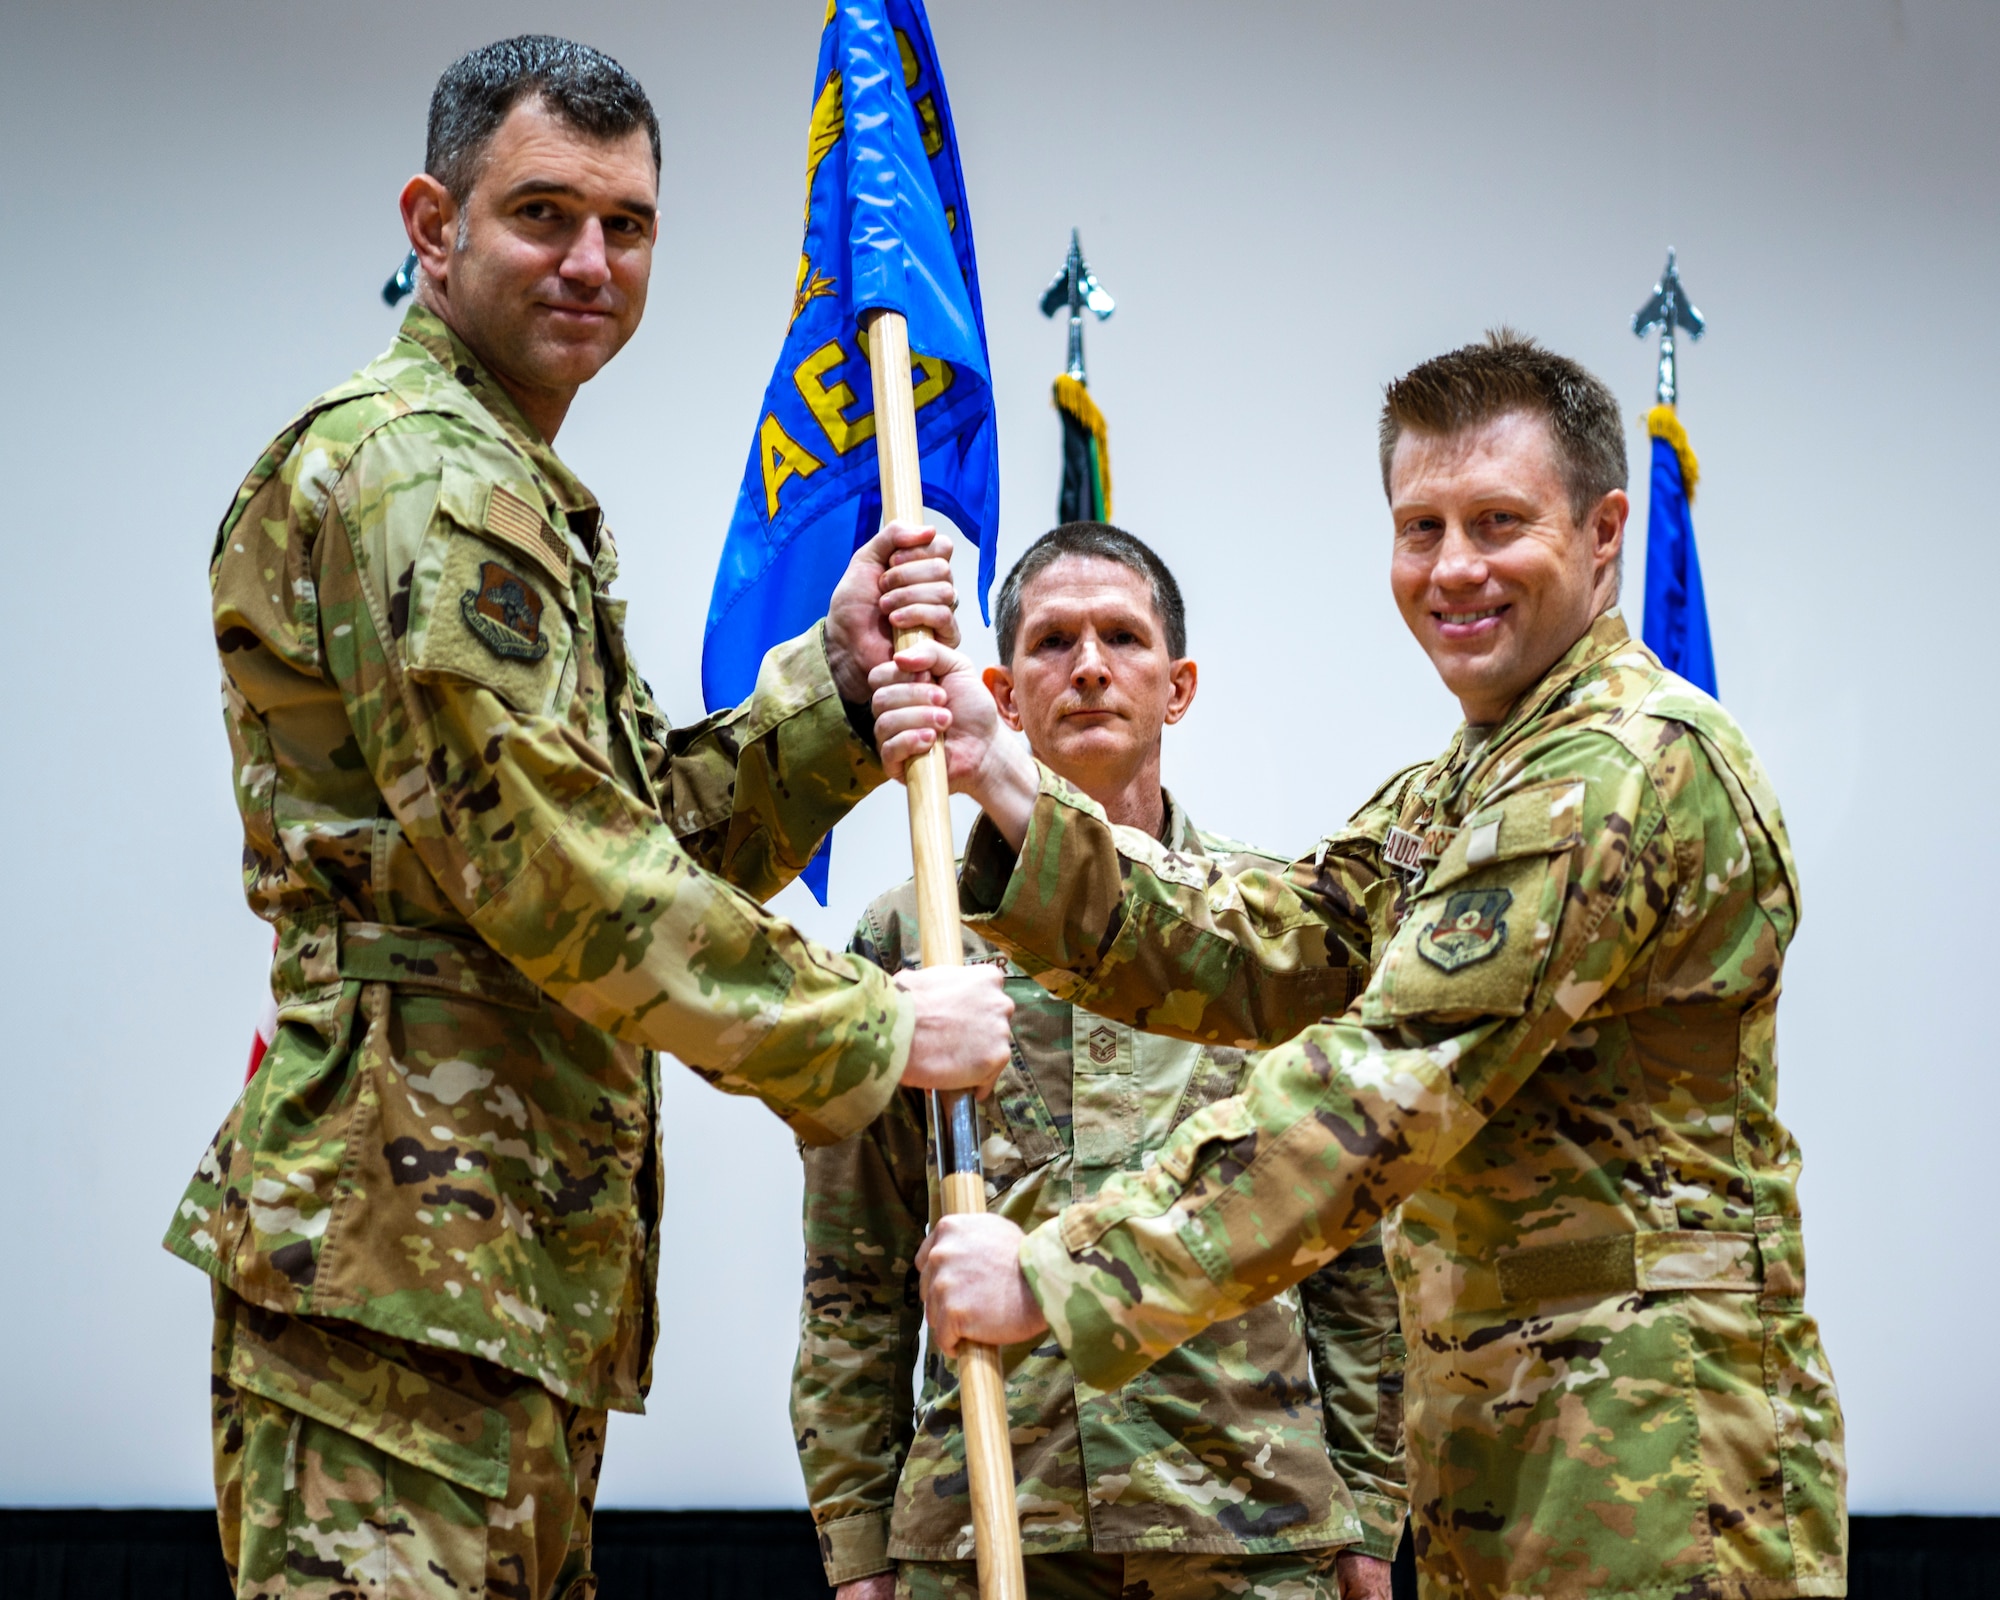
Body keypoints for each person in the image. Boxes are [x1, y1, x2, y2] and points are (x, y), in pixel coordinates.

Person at [163, 36, 1013, 1600]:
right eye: (543, 214)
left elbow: (629, 826)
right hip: (396, 1277)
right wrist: (874, 1027)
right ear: (433, 225)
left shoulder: (509, 483)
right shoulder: (421, 478)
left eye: (626, 226)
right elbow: (550, 871)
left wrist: (827, 693)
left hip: (488, 1270)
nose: (590, 262)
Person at [872, 334, 1847, 1600]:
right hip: (1504, 1439)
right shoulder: (1464, 781)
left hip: (1651, 1464)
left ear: (1605, 533)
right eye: (1419, 526)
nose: (1452, 569)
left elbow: (1376, 1086)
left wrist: (1057, 1271)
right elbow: (1276, 942)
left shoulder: (1618, 766)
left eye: (1497, 523)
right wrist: (1004, 777)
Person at [793, 525, 1407, 1600]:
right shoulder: (914, 937)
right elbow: (855, 1269)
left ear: (1177, 688)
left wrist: (1371, 1506)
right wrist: (855, 1546)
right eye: (1051, 642)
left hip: (1248, 1517)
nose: (1086, 666)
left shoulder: (1277, 937)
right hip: (992, 1513)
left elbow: (1355, 1248)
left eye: (1121, 638)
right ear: (1000, 691)